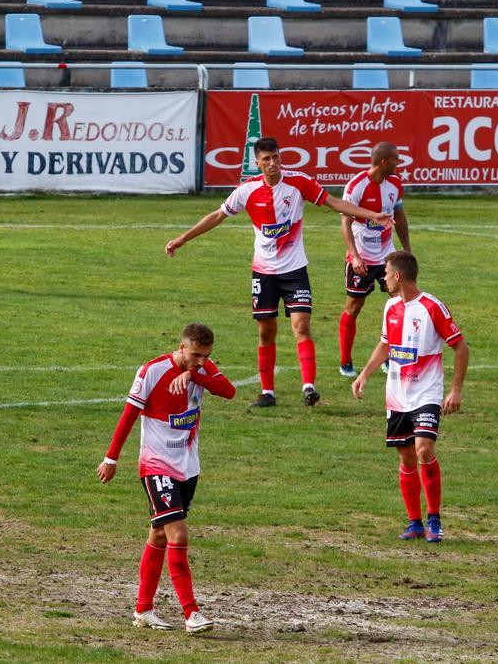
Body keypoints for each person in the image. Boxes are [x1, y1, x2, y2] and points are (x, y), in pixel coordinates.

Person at [165, 137, 392, 408]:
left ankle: (309, 388)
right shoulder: (246, 190)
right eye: (266, 159)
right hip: (264, 272)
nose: (273, 163)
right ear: (258, 162)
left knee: (302, 326)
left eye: (276, 157)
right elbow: (217, 215)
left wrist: (370, 214)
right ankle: (268, 392)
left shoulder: (298, 182)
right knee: (266, 332)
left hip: (295, 270)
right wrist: (183, 239)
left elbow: (333, 202)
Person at [97, 323, 236, 634]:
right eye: (196, 355)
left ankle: (143, 609)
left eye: (206, 356)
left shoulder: (201, 369)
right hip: (156, 466)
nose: (201, 361)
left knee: (159, 536)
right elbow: (129, 415)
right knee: (178, 535)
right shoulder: (152, 371)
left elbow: (228, 391)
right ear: (182, 347)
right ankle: (192, 613)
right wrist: (111, 458)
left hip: (188, 468)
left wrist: (194, 374)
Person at [351, 251, 468, 543]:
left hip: (427, 393)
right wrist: (364, 374)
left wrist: (455, 390)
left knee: (423, 450)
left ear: (399, 275)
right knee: (405, 457)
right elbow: (385, 345)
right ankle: (414, 522)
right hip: (397, 395)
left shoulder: (432, 307)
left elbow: (461, 348)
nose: (384, 279)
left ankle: (435, 519)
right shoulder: (390, 307)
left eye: (387, 274)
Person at [337, 142, 412, 378]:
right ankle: (345, 362)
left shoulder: (395, 185)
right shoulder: (357, 186)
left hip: (387, 256)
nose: (398, 163)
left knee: (400, 303)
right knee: (354, 306)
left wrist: (406, 250)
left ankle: (391, 358)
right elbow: (345, 223)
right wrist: (355, 256)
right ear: (383, 162)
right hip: (362, 258)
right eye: (395, 160)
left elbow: (399, 216)